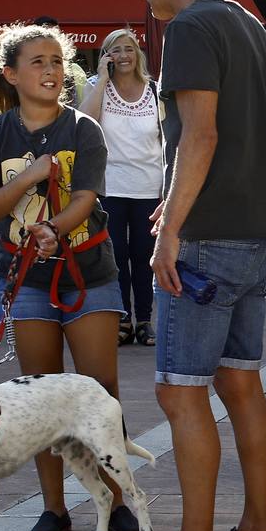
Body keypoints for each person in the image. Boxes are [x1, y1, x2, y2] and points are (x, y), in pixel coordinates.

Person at [114, 0, 266, 531]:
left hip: (208, 237)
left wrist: (169, 229)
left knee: (180, 389)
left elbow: (201, 135)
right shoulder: (247, 22)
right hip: (256, 231)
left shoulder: (190, 27)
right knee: (240, 382)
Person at [0, 23, 137, 531]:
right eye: (37, 62)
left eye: (57, 62)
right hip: (26, 281)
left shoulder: (83, 128)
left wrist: (52, 228)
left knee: (99, 391)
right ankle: (54, 508)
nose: (50, 71)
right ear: (10, 74)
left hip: (89, 274)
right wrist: (26, 178)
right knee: (40, 397)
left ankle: (117, 499)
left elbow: (86, 197)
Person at [79, 28, 165, 348]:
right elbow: (84, 122)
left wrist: (168, 185)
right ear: (106, 56)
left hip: (149, 187)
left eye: (129, 49)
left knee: (144, 256)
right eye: (115, 50)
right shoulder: (96, 86)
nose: (123, 55)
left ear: (137, 53)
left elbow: (167, 138)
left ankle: (144, 320)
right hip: (110, 186)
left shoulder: (155, 90)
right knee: (115, 256)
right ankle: (122, 319)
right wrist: (102, 79)